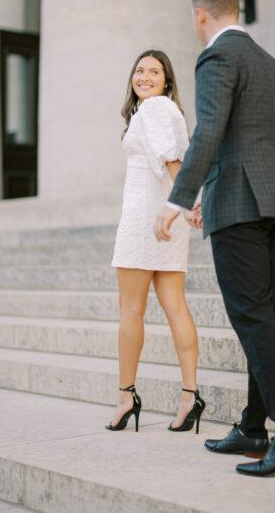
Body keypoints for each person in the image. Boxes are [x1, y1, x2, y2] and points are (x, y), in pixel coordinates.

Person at [154, 0, 275, 476]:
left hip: (240, 207)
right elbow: (246, 139)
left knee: (253, 317)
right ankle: (253, 428)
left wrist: (179, 198)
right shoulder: (272, 65)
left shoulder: (217, 57)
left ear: (201, 14)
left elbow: (210, 131)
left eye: (192, 16)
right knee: (263, 315)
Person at [107, 49, 205, 434]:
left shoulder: (153, 109)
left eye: (155, 71)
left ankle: (126, 397)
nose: (144, 76)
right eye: (139, 70)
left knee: (130, 311)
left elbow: (169, 158)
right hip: (169, 216)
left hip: (146, 219)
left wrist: (188, 203)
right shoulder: (167, 111)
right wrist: (186, 205)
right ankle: (189, 397)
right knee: (176, 307)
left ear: (167, 81)